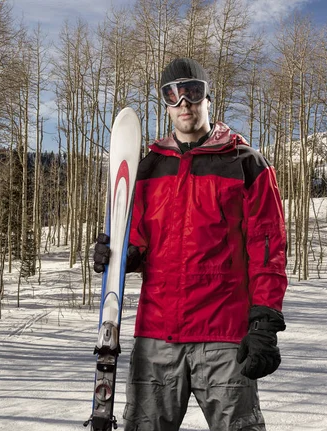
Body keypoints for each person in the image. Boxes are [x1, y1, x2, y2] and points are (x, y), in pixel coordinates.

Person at [93, 58, 288, 431]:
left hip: (224, 338)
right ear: (165, 104)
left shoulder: (246, 163)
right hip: (157, 338)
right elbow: (137, 240)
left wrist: (264, 322)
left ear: (207, 97)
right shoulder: (148, 167)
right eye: (172, 94)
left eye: (192, 92)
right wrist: (119, 255)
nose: (183, 102)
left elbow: (268, 248)